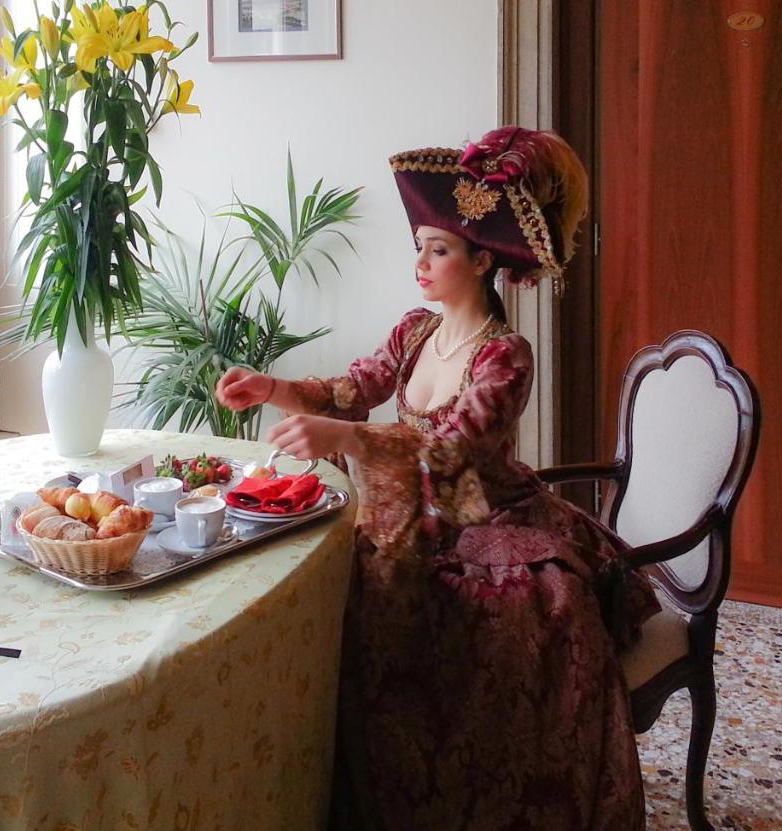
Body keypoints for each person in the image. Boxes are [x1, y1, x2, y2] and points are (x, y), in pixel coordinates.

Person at [216, 127, 658, 830]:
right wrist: (270, 386)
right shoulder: (414, 331)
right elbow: (349, 389)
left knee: (493, 625)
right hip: (410, 507)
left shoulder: (506, 353)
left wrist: (347, 437)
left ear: (482, 261)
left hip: (491, 514)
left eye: (439, 249)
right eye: (419, 245)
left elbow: (453, 453)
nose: (420, 261)